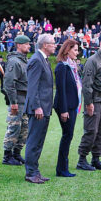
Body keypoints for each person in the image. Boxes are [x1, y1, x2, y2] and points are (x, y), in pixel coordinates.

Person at [77, 33, 101, 171]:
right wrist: (89, 103)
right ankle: (82, 159)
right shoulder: (93, 60)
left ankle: (96, 158)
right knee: (91, 131)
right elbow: (87, 84)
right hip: (95, 100)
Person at [24, 34, 56, 183]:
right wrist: (37, 106)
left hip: (44, 108)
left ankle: (35, 171)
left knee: (39, 142)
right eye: (53, 43)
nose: (55, 46)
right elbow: (32, 86)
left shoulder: (43, 59)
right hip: (38, 109)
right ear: (44, 45)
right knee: (34, 141)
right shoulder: (36, 60)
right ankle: (31, 173)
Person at [54, 39, 82, 177]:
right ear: (67, 50)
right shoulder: (62, 66)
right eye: (75, 50)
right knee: (67, 136)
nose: (78, 52)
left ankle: (63, 167)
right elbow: (61, 90)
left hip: (72, 106)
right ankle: (61, 169)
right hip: (65, 107)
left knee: (68, 136)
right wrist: (64, 110)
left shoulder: (71, 66)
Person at [2, 35, 31, 166]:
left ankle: (16, 153)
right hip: (17, 101)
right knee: (14, 127)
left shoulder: (25, 61)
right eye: (26, 44)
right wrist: (13, 102)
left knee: (24, 129)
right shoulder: (14, 61)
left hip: (25, 101)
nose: (29, 46)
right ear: (19, 45)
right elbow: (9, 83)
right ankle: (7, 155)